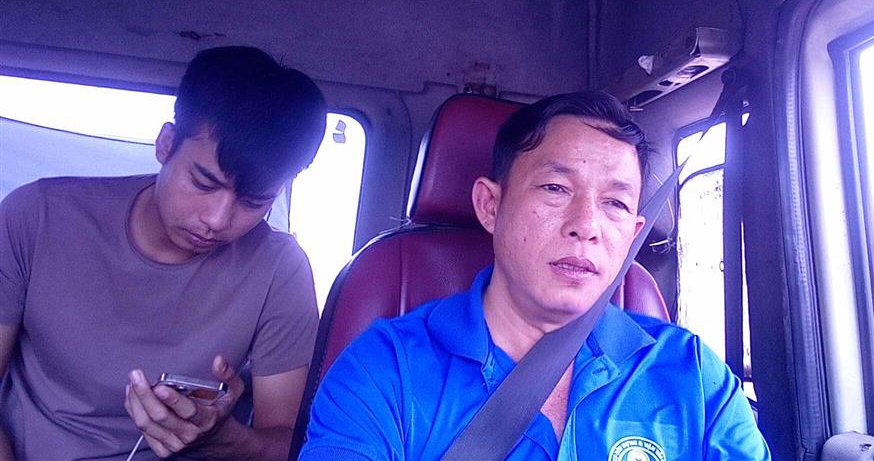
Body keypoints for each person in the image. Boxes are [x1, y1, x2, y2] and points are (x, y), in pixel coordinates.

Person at [299, 91, 770, 460]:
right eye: (555, 187)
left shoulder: (695, 377)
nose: (587, 225)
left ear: (633, 234)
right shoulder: (384, 370)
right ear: (490, 205)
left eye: (615, 203)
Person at [0, 46, 326, 460]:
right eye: (203, 183)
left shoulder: (281, 270)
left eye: (253, 202)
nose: (216, 219)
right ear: (166, 143)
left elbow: (289, 445)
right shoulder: (37, 217)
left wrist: (224, 438)